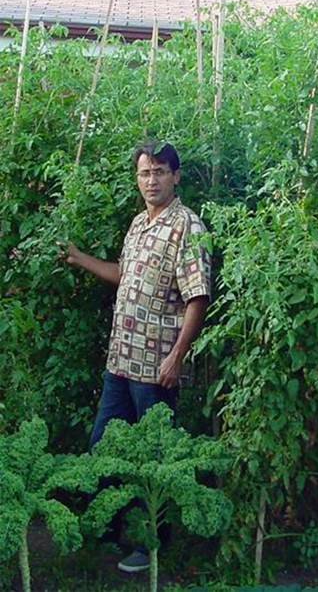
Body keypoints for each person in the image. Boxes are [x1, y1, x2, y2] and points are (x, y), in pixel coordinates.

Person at [60, 140, 210, 573]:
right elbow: (124, 275)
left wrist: (176, 357)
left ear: (175, 176)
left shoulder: (188, 226)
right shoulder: (138, 224)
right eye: (145, 173)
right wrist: (78, 258)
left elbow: (197, 298)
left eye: (160, 172)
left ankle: (151, 546)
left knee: (152, 464)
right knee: (102, 447)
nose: (152, 180)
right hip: (121, 362)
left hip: (155, 369)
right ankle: (107, 531)